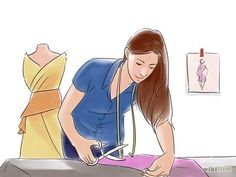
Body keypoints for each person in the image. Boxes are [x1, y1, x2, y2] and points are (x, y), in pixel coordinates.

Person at [59, 28, 175, 176]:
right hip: (75, 140)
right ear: (127, 53)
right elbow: (64, 112)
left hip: (112, 147)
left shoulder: (147, 85)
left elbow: (161, 121)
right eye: (139, 63)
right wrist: (77, 141)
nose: (143, 73)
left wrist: (169, 155)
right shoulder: (93, 69)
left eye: (151, 67)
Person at [19, 43, 66, 158]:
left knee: (55, 144)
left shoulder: (61, 59)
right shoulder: (26, 60)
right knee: (32, 150)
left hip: (53, 111)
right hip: (34, 112)